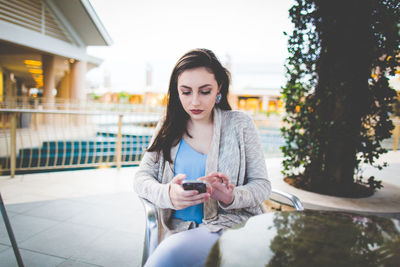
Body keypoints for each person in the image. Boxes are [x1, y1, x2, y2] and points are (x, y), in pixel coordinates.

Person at [134, 48, 271, 267]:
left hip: (228, 228)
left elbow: (262, 185)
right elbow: (141, 178)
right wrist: (168, 193)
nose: (195, 102)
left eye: (204, 91)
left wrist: (231, 196)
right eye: (186, 92)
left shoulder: (240, 125)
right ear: (176, 92)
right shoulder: (167, 126)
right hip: (177, 230)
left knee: (166, 259)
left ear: (219, 88)